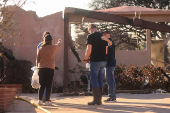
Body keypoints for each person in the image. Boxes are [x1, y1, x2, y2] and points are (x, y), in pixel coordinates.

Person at [83, 24, 112, 105]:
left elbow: (89, 49)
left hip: (94, 60)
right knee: (100, 80)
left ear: (90, 29)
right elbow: (106, 51)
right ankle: (99, 100)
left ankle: (96, 100)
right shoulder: (103, 37)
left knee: (94, 80)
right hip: (103, 61)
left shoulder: (90, 36)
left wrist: (85, 58)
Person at [37, 34, 62, 105]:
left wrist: (37, 67)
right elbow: (59, 45)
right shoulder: (52, 47)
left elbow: (37, 59)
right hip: (50, 69)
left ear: (44, 41)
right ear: (51, 41)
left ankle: (39, 100)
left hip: (41, 68)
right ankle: (47, 101)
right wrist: (59, 41)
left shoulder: (41, 48)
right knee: (48, 85)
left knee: (41, 85)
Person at [102, 30, 117, 102]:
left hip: (110, 64)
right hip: (108, 64)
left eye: (105, 34)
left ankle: (112, 97)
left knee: (110, 80)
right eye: (103, 34)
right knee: (110, 80)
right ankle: (112, 96)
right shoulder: (106, 42)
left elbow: (111, 44)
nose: (104, 35)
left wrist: (107, 39)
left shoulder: (110, 41)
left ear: (109, 35)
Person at [37, 31, 50, 103]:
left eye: (48, 36)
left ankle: (45, 98)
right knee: (42, 84)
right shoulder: (40, 45)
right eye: (46, 37)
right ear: (43, 37)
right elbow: (38, 56)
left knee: (47, 84)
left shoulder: (51, 46)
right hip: (42, 66)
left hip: (48, 66)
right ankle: (42, 98)